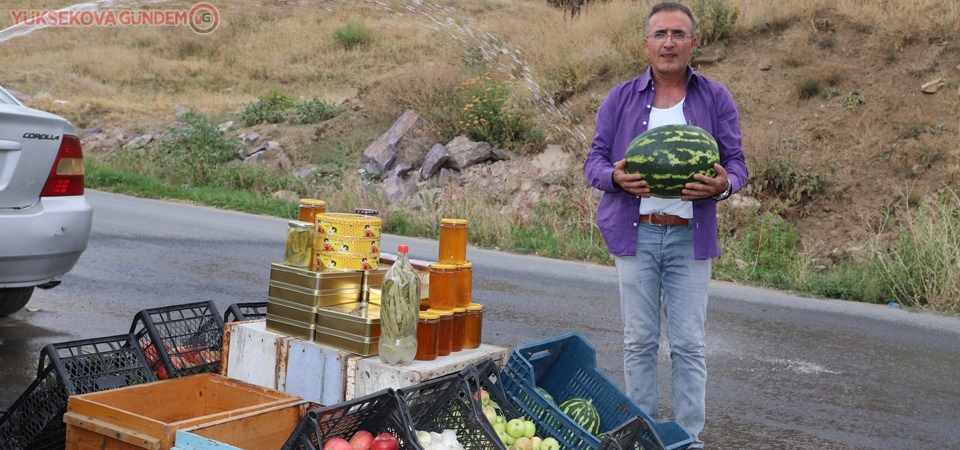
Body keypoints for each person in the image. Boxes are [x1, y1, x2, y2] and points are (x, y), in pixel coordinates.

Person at [582, 2, 748, 448]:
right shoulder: (620, 97)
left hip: (688, 237)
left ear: (694, 41)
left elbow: (737, 166)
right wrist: (614, 177)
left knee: (689, 343)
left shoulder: (715, 97)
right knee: (638, 340)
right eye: (660, 34)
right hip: (635, 233)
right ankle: (645, 432)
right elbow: (593, 161)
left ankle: (688, 438)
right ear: (647, 43)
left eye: (678, 34)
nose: (669, 43)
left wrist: (722, 186)